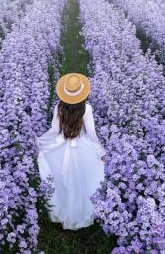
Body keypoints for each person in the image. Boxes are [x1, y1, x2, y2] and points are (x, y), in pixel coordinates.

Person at [36, 72, 106, 230]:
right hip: (82, 147)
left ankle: (64, 211)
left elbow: (54, 131)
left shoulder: (59, 107)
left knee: (62, 180)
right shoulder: (86, 108)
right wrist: (101, 151)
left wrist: (41, 142)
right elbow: (92, 133)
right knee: (83, 180)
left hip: (61, 146)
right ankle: (80, 212)